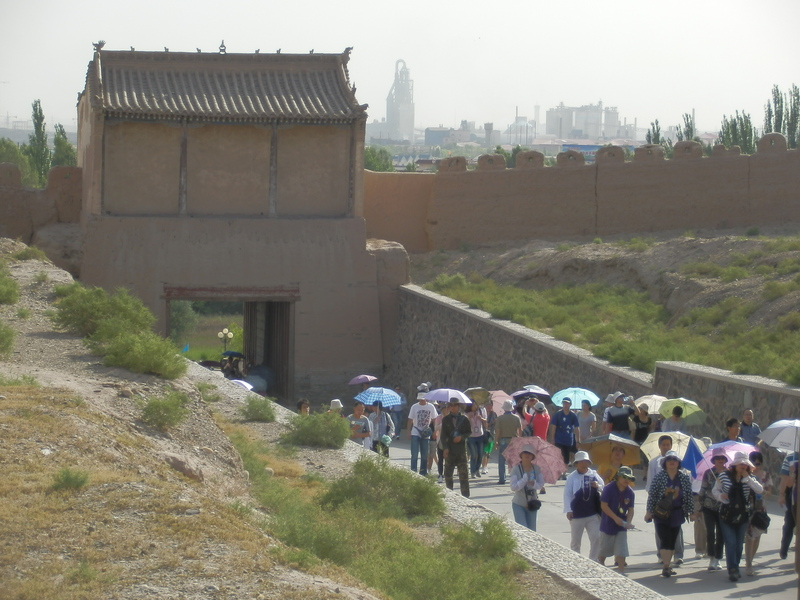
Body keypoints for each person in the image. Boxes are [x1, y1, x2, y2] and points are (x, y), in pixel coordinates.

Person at [645, 451, 695, 578]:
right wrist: (649, 512)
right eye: (669, 459)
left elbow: (689, 497)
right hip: (661, 513)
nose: (672, 461)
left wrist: (691, 512)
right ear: (665, 463)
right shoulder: (659, 477)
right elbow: (652, 496)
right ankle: (666, 566)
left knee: (672, 540)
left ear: (678, 463)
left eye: (674, 459)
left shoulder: (683, 478)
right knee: (665, 539)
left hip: (677, 513)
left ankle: (667, 565)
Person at [717, 452, 764, 581]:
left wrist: (747, 478)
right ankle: (732, 569)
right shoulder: (724, 476)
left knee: (738, 544)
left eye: (745, 464)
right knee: (730, 542)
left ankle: (735, 566)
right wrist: (721, 496)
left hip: (743, 515)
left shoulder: (749, 477)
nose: (743, 466)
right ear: (735, 465)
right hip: (726, 514)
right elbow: (715, 490)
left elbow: (759, 490)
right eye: (740, 464)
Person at [645, 435, 684, 565]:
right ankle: (661, 555)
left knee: (677, 530)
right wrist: (650, 508)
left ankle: (678, 555)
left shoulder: (677, 462)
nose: (666, 447)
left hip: (676, 503)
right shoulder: (653, 462)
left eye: (668, 444)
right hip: (660, 502)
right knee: (660, 530)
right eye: (664, 445)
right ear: (659, 446)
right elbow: (650, 485)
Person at [563, 450, 604, 561]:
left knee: (596, 537)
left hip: (592, 513)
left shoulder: (593, 474)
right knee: (576, 541)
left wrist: (598, 486)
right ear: (576, 463)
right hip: (577, 514)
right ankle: (576, 561)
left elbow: (603, 487)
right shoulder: (572, 477)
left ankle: (593, 560)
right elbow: (567, 494)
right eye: (581, 462)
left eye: (585, 461)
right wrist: (568, 509)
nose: (584, 464)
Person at [598, 466, 636, 574]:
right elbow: (604, 505)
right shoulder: (609, 488)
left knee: (621, 547)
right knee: (604, 548)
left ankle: (621, 571)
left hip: (621, 525)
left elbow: (631, 509)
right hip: (608, 523)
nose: (626, 480)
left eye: (629, 478)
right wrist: (615, 518)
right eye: (624, 477)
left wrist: (628, 522)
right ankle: (600, 565)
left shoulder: (630, 492)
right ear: (618, 477)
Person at [698, 446, 727, 571]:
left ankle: (718, 558)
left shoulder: (729, 473)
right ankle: (711, 557)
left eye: (722, 458)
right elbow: (703, 489)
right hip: (709, 507)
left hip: (723, 507)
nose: (720, 460)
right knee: (710, 533)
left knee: (721, 534)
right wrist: (699, 506)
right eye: (718, 458)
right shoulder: (708, 473)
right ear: (714, 460)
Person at [744, 450, 771, 576]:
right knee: (749, 537)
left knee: (758, 536)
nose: (756, 466)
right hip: (748, 509)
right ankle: (748, 564)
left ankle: (751, 559)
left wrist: (763, 492)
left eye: (758, 463)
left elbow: (769, 492)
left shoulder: (766, 475)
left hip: (761, 510)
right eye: (754, 463)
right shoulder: (746, 475)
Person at [441, 398, 471, 497]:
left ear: (458, 406)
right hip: (450, 450)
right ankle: (450, 495)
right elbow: (443, 435)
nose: (453, 407)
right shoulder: (445, 419)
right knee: (448, 475)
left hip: (461, 450)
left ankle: (465, 496)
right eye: (451, 405)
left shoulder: (464, 419)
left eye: (455, 405)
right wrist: (445, 448)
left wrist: (461, 437)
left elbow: (468, 432)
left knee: (463, 475)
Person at [510, 443, 544, 530]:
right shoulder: (516, 469)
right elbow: (513, 487)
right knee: (522, 529)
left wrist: (534, 484)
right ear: (521, 455)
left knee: (532, 531)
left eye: (530, 453)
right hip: (518, 504)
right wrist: (523, 481)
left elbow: (540, 484)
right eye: (525, 452)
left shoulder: (536, 469)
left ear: (533, 456)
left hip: (532, 505)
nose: (527, 455)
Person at [407, 391, 438, 476]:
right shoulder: (414, 406)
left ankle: (423, 472)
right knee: (414, 453)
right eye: (421, 399)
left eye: (423, 399)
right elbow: (410, 419)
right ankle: (413, 471)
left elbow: (435, 419)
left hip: (425, 432)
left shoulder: (431, 406)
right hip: (415, 431)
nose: (422, 400)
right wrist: (408, 431)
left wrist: (435, 431)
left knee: (424, 454)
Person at [494, 399, 522, 485]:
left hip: (503, 440)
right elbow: (520, 430)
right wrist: (519, 439)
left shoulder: (500, 418)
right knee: (514, 461)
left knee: (502, 461)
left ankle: (502, 479)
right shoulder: (516, 417)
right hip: (513, 440)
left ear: (504, 408)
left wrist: (496, 441)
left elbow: (498, 431)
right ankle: (515, 478)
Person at [778, 450, 798, 560]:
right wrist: (781, 495)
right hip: (793, 495)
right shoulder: (790, 458)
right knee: (789, 523)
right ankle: (784, 548)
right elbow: (785, 479)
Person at [549, 398, 580, 468]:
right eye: (564, 403)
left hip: (568, 440)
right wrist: (552, 439)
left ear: (570, 404)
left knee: (566, 457)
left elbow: (577, 428)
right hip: (558, 439)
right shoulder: (558, 414)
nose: (565, 405)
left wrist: (578, 441)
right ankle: (559, 471)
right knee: (558, 456)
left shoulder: (573, 415)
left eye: (567, 403)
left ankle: (564, 472)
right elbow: (553, 427)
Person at [467, 402, 488, 478]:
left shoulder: (481, 411)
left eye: (476, 404)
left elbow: (486, 423)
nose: (475, 406)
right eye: (473, 405)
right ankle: (472, 471)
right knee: (474, 454)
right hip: (471, 436)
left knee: (480, 454)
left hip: (480, 435)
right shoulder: (467, 413)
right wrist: (468, 418)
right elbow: (464, 425)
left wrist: (481, 419)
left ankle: (477, 469)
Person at [481, 399, 497, 475]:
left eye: (490, 405)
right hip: (482, 434)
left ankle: (485, 466)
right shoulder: (482, 413)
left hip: (491, 434)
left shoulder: (494, 414)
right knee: (483, 451)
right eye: (487, 405)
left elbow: (496, 424)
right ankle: (483, 466)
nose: (488, 406)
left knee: (488, 452)